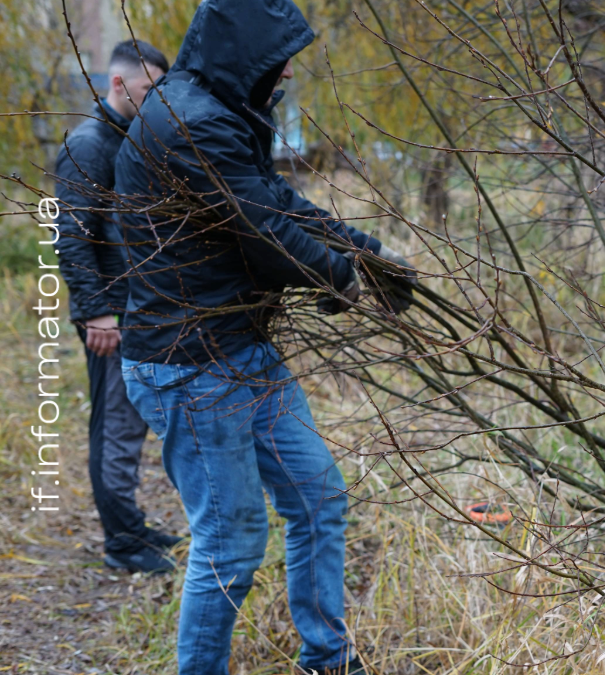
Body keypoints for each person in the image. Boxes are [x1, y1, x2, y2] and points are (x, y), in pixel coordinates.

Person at [112, 1, 411, 673]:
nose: (286, 76)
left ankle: (327, 659)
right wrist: (340, 277)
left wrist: (364, 251)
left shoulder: (218, 106)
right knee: (232, 539)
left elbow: (274, 198)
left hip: (239, 346)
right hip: (190, 364)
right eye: (280, 63)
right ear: (246, 55)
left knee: (317, 495)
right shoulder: (191, 123)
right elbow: (261, 230)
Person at [54, 39, 179, 574]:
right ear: (118, 84)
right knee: (116, 428)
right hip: (112, 314)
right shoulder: (89, 144)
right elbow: (72, 235)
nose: (156, 101)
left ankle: (131, 525)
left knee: (131, 425)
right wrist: (96, 312)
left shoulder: (131, 136)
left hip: (140, 308)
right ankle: (122, 544)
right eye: (149, 90)